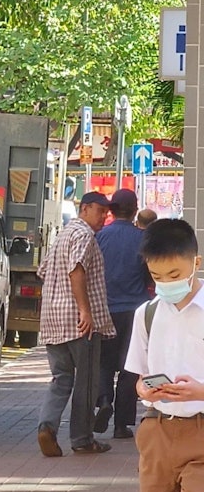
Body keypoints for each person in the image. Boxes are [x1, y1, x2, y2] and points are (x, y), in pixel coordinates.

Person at [124, 219, 204, 492]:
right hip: (156, 435)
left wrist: (199, 392)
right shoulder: (147, 313)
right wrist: (147, 391)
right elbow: (137, 377)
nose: (166, 284)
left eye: (174, 275)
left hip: (201, 439)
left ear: (196, 262)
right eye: (157, 276)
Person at [37, 191, 116, 457]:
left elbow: (43, 271)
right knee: (86, 381)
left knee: (61, 378)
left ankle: (46, 426)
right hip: (79, 322)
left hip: (53, 320)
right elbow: (77, 270)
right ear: (84, 209)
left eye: (107, 212)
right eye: (100, 211)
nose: (104, 217)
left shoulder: (62, 234)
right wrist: (85, 310)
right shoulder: (84, 235)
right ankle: (82, 439)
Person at [94, 188, 152, 439]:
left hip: (105, 309)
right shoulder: (143, 239)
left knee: (104, 362)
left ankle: (104, 399)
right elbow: (150, 274)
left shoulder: (100, 237)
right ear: (134, 210)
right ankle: (121, 424)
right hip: (135, 310)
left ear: (112, 210)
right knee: (130, 366)